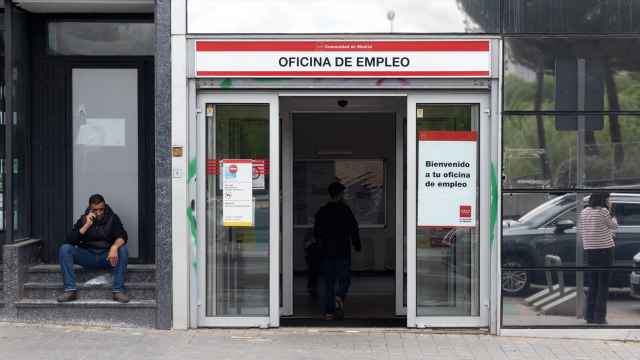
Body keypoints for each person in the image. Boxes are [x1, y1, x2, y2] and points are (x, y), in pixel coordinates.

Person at [57, 194, 130, 303]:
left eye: (101, 209)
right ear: (90, 208)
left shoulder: (112, 218)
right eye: (95, 210)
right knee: (65, 249)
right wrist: (86, 225)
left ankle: (118, 290)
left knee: (123, 249)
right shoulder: (83, 219)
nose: (99, 213)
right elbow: (69, 241)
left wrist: (114, 247)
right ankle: (70, 290)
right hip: (88, 256)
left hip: (107, 257)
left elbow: (123, 236)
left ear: (104, 206)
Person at [313, 182, 361, 320]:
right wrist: (357, 244)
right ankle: (339, 296)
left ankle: (329, 312)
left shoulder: (322, 211)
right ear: (340, 194)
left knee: (328, 282)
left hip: (326, 252)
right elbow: (354, 228)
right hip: (342, 250)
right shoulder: (345, 210)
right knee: (344, 279)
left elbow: (316, 232)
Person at [580, 192, 617, 324]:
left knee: (593, 283)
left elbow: (595, 229)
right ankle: (600, 317)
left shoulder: (584, 212)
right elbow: (614, 225)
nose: (609, 201)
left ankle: (589, 316)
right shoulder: (603, 211)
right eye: (608, 199)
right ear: (603, 199)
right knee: (603, 285)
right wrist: (611, 210)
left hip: (590, 251)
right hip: (605, 251)